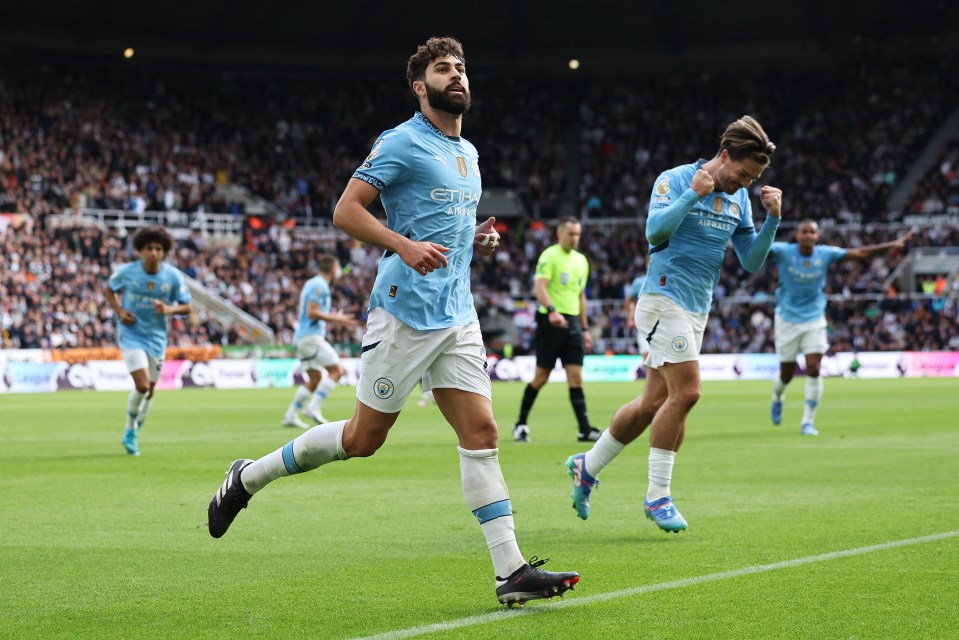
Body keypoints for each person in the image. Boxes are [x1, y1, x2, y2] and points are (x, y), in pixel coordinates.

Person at [207, 36, 579, 607]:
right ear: (419, 85)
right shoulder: (401, 142)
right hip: (404, 311)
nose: (456, 75)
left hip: (457, 313)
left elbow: (444, 220)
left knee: (481, 434)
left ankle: (511, 572)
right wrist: (403, 245)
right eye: (442, 69)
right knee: (362, 440)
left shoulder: (469, 152)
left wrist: (473, 235)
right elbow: (346, 211)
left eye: (460, 68)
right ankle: (247, 478)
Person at [565, 115, 782, 532]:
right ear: (723, 156)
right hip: (662, 299)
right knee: (688, 393)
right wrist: (691, 196)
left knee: (652, 405)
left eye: (754, 179)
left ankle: (586, 466)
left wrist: (772, 219)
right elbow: (654, 232)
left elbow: (751, 262)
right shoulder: (678, 179)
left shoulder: (740, 201)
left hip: (697, 308)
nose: (746, 184)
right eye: (742, 174)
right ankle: (657, 497)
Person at [768, 221, 912, 435]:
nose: (807, 235)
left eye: (812, 232)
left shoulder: (825, 254)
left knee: (814, 368)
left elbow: (861, 253)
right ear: (796, 235)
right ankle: (778, 397)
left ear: (817, 237)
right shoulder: (782, 251)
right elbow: (754, 247)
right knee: (787, 375)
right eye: (803, 232)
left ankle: (807, 422)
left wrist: (892, 244)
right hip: (787, 320)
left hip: (814, 320)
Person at [104, 226, 192, 456]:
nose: (154, 252)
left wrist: (169, 309)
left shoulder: (172, 276)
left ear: (164, 252)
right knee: (142, 385)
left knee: (151, 391)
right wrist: (119, 312)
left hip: (156, 337)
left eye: (158, 249)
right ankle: (130, 431)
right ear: (140, 250)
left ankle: (136, 424)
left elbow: (187, 305)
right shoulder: (127, 272)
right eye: (149, 248)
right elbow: (108, 289)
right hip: (131, 334)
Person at [513, 217, 599, 443]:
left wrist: (585, 328)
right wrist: (552, 310)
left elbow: (581, 296)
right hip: (550, 322)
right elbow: (539, 287)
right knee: (541, 376)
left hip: (572, 324)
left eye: (578, 234)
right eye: (571, 234)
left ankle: (584, 429)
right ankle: (520, 425)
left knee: (576, 377)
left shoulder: (581, 261)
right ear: (559, 234)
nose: (575, 238)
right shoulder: (549, 256)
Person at [282, 255, 359, 429]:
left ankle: (290, 415)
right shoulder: (320, 285)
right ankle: (313, 408)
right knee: (337, 371)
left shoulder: (312, 283)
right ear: (333, 269)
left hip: (302, 337)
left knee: (315, 378)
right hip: (311, 337)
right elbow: (312, 312)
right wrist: (336, 319)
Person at [624, 273, 651, 365]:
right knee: (647, 355)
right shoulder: (639, 282)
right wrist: (630, 318)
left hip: (662, 323)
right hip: (644, 323)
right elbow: (629, 300)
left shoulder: (665, 279)